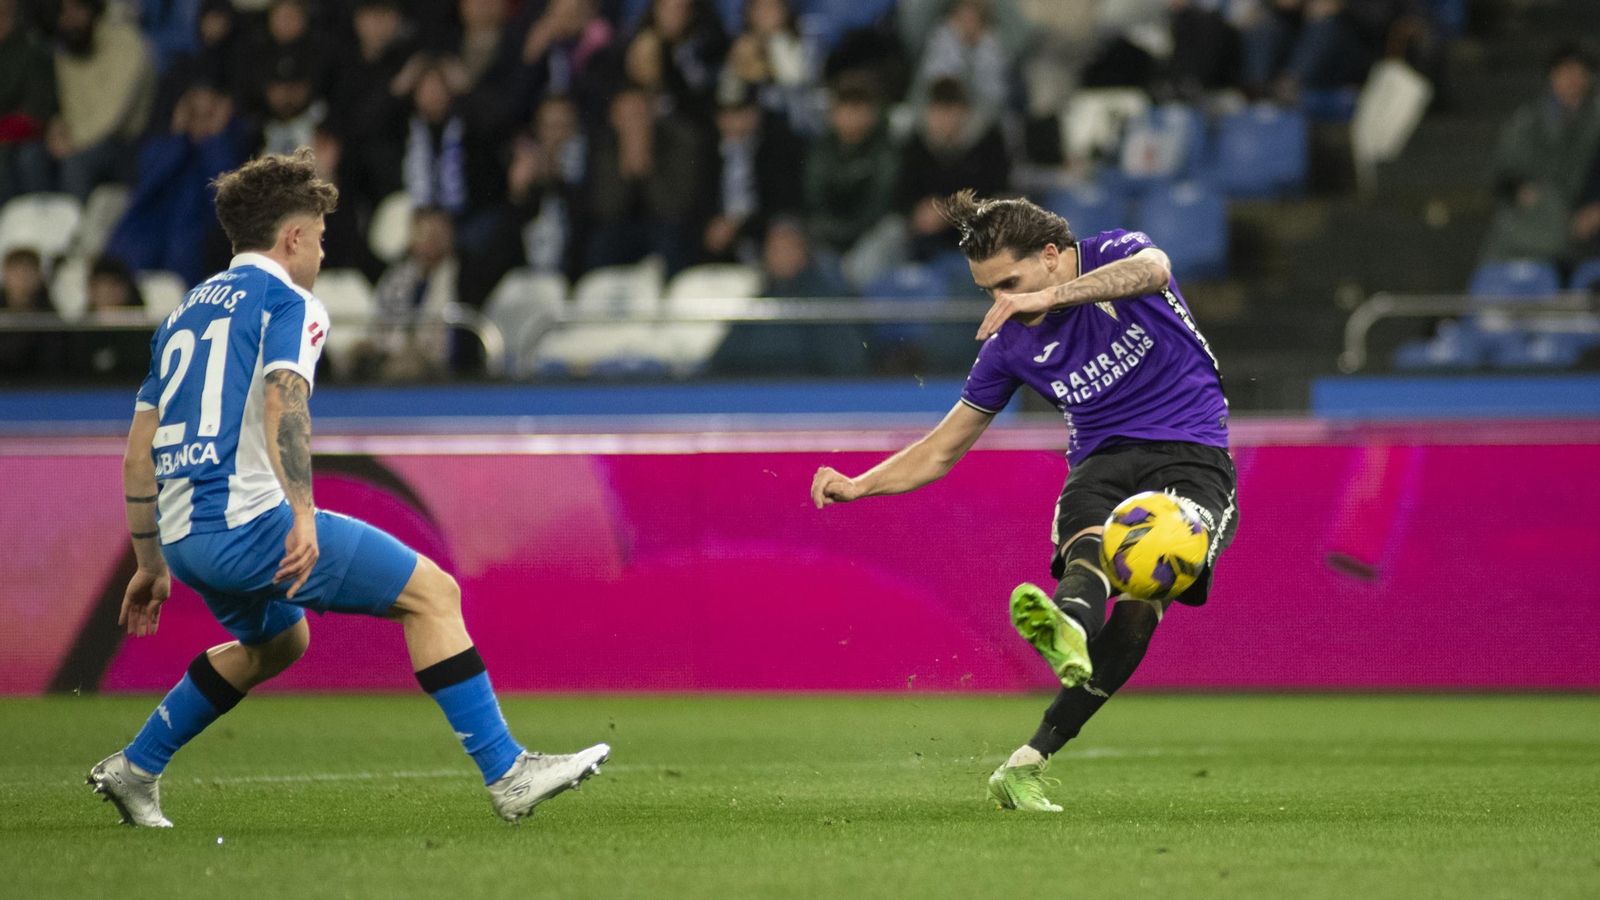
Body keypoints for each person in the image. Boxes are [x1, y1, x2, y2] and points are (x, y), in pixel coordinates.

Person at [87, 150, 608, 828]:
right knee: (433, 595)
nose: (323, 255)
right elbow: (284, 402)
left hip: (187, 538)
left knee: (279, 643)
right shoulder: (288, 301)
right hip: (249, 526)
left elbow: (138, 452)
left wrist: (151, 562)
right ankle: (508, 773)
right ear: (293, 237)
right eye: (322, 238)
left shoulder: (183, 314)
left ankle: (135, 766)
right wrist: (300, 512)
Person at [809, 190, 1238, 812]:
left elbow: (1156, 270)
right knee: (1088, 549)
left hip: (1193, 455)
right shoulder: (1008, 345)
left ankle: (1026, 761)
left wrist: (1049, 297)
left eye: (1009, 282)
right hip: (1102, 460)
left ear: (1054, 256)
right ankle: (1066, 628)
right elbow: (941, 448)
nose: (1001, 301)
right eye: (988, 291)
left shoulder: (1113, 253)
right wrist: (859, 484)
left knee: (1144, 604)